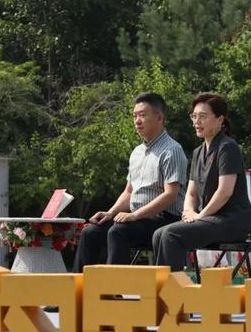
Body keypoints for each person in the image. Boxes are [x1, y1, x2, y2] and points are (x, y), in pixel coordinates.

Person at [72, 92, 188, 272]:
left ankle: (115, 292)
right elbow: (128, 191)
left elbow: (170, 195)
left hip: (163, 220)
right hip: (137, 220)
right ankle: (80, 293)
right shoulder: (137, 152)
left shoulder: (172, 150)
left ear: (159, 117)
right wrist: (109, 214)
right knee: (90, 232)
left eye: (142, 115)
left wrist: (134, 216)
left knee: (118, 231)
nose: (137, 121)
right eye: (134, 116)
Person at [152, 92, 251, 272]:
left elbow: (225, 191)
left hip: (231, 220)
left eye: (203, 117)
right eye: (194, 116)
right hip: (210, 218)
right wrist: (189, 211)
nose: (197, 122)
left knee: (171, 234)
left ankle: (173, 293)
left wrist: (201, 215)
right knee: (159, 234)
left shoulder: (227, 147)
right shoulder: (198, 152)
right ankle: (162, 289)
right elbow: (191, 193)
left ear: (220, 120)